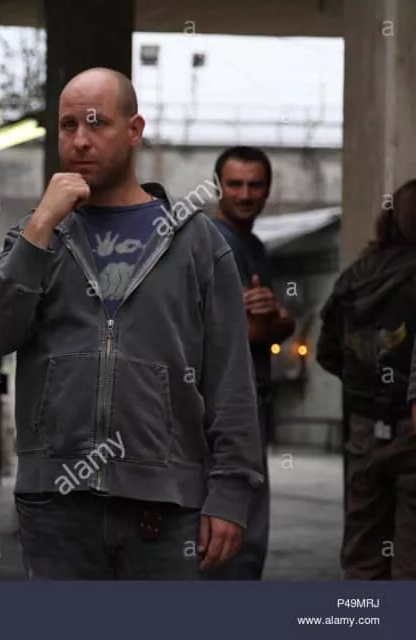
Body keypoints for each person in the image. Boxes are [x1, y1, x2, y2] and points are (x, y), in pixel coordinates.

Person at [0, 67, 264, 580]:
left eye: (96, 123)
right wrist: (41, 226)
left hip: (165, 506)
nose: (80, 140)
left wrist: (231, 491)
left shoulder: (195, 241)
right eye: (68, 126)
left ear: (134, 130)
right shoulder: (38, 235)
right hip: (56, 503)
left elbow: (230, 378)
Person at [318, 179, 416, 579]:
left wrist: (364, 388)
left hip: (363, 430)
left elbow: (327, 351)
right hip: (411, 426)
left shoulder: (355, 276)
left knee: (362, 551)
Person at [208, 146, 295, 580]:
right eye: (235, 184)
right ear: (217, 187)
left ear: (268, 189)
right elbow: (246, 331)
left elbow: (275, 323)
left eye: (255, 185)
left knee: (245, 537)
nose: (245, 194)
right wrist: (278, 319)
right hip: (222, 409)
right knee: (230, 536)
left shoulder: (253, 246)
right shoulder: (213, 243)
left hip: (252, 401)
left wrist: (277, 315)